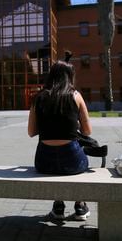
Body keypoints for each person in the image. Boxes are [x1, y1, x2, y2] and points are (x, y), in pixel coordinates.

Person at [27, 60, 92, 221]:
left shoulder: (39, 97)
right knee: (78, 161)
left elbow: (31, 132)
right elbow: (87, 131)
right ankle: (80, 205)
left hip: (44, 161)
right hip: (72, 159)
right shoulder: (76, 96)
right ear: (70, 77)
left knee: (55, 169)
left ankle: (58, 206)